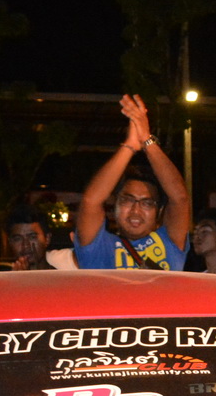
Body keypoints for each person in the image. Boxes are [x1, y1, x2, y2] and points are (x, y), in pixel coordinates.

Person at [72, 94, 192, 270]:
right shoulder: (99, 246)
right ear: (115, 205)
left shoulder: (169, 242)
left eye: (147, 203)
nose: (136, 210)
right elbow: (91, 200)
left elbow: (180, 198)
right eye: (128, 200)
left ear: (159, 212)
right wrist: (130, 146)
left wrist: (147, 140)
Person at [5, 206, 77, 271]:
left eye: (32, 237)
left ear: (47, 239)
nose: (26, 245)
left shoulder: (60, 278)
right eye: (18, 239)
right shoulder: (4, 279)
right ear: (10, 242)